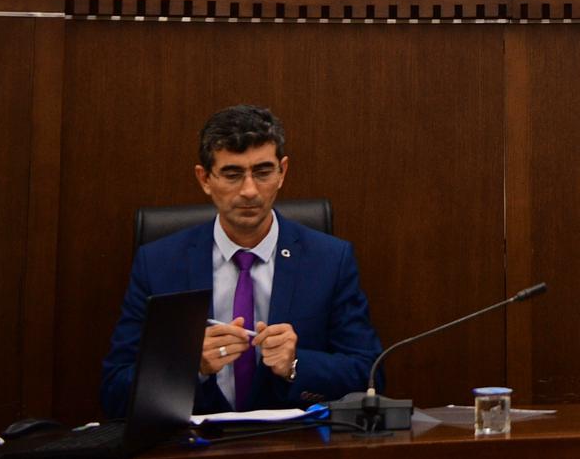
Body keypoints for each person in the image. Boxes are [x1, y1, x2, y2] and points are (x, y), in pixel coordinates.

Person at [100, 106, 381, 417]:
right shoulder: (158, 264)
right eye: (232, 174)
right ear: (205, 179)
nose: (249, 191)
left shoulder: (330, 260)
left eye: (263, 172)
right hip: (192, 440)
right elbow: (115, 390)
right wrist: (190, 367)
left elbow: (370, 376)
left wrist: (296, 364)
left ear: (282, 172)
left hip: (294, 440)